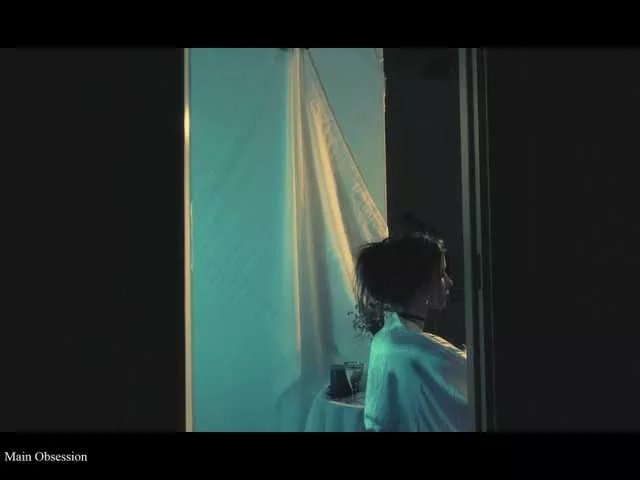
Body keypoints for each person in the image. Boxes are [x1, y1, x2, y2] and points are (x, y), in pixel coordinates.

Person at [353, 232, 470, 431]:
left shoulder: (385, 338)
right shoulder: (423, 350)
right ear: (420, 283)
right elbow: (478, 382)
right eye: (441, 274)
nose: (449, 282)